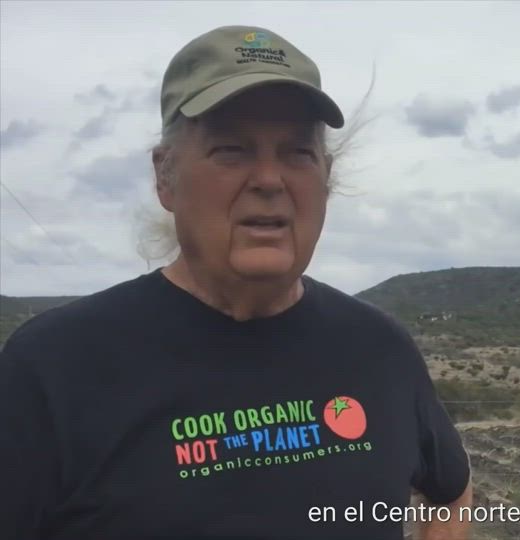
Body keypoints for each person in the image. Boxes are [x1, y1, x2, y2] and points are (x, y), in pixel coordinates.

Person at [0, 25, 472, 540]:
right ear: (165, 176)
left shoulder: (380, 349)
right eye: (231, 149)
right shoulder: (51, 369)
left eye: (298, 153)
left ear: (325, 178)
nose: (269, 179)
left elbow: (451, 492)